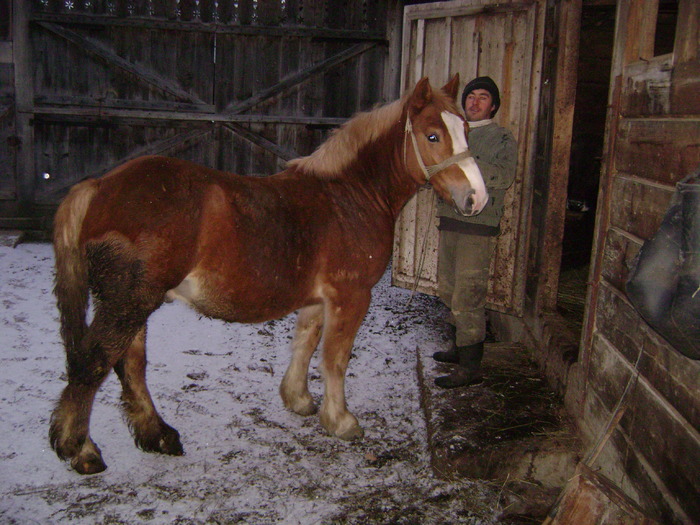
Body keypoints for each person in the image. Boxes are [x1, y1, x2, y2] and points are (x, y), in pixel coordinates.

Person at [433, 76, 518, 388]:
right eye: (471, 96)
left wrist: (466, 161)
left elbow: (504, 177)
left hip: (478, 226)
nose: (475, 102)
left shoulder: (501, 139)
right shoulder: (457, 133)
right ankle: (459, 348)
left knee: (468, 293)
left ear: (493, 106)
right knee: (447, 288)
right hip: (451, 220)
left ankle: (470, 367)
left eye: (483, 97)